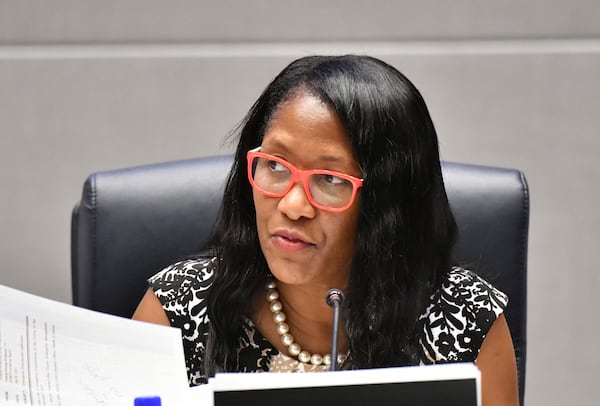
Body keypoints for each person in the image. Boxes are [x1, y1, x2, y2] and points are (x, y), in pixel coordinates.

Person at [133, 54, 519, 406]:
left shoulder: (465, 317)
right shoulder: (179, 309)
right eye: (276, 167)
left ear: (388, 205)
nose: (292, 205)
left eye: (330, 180)